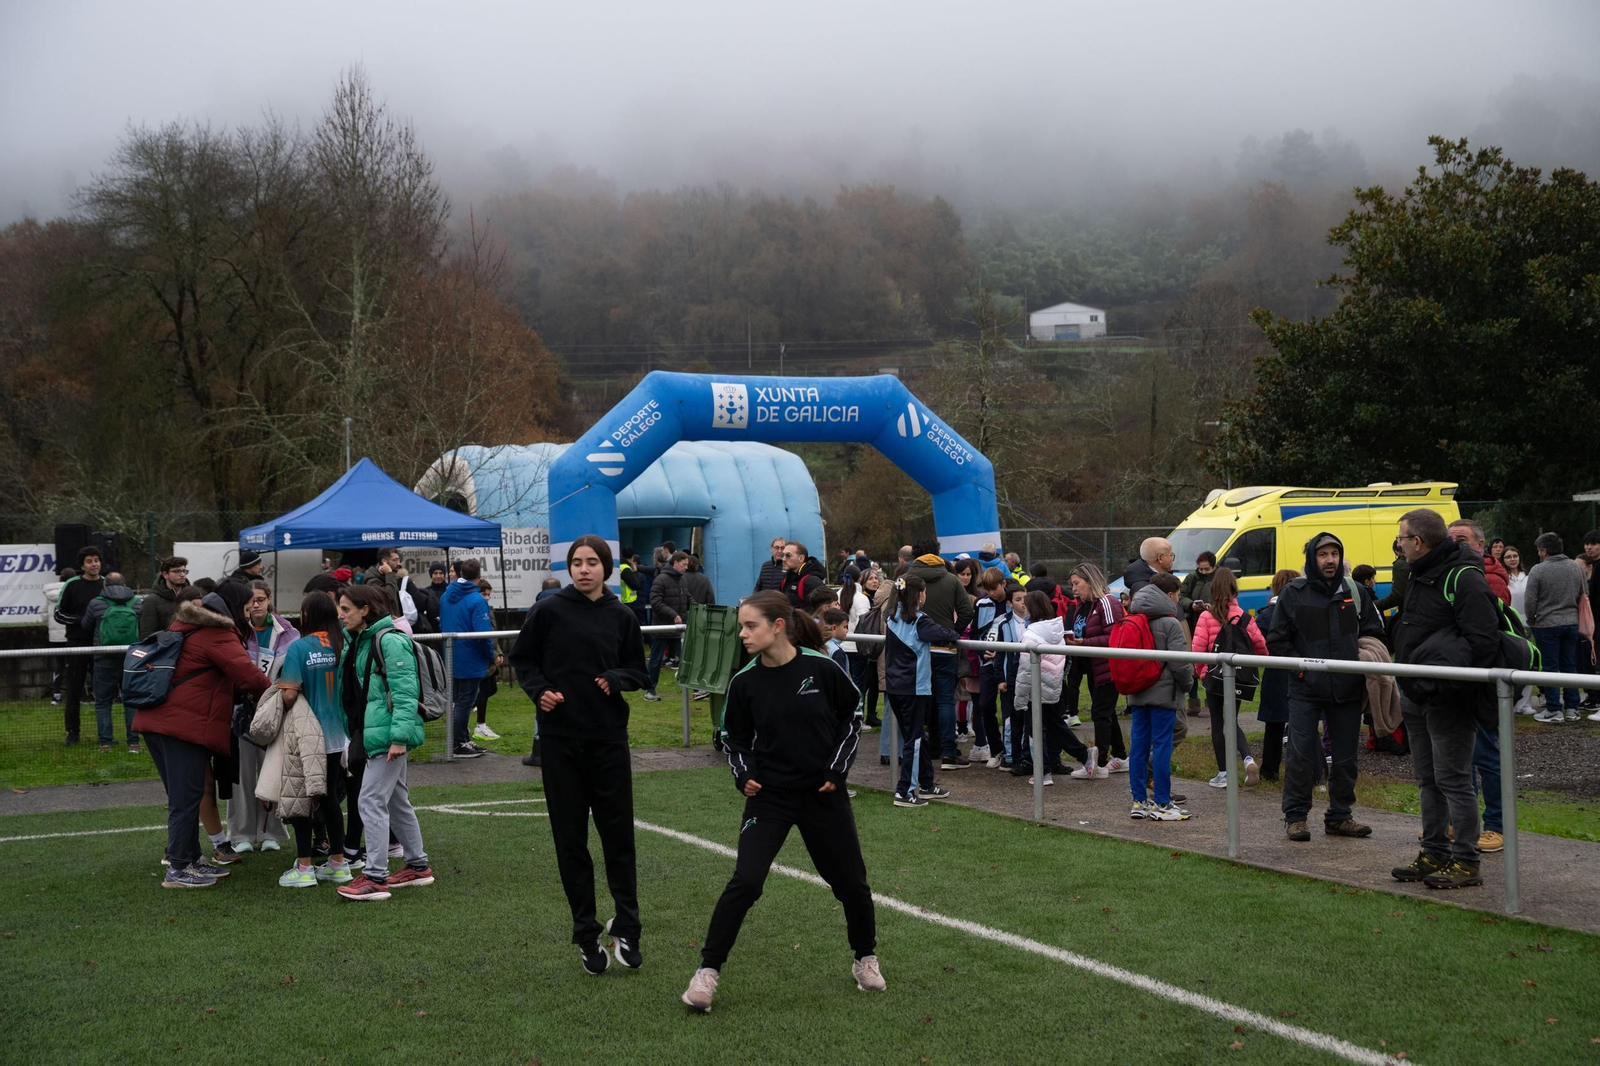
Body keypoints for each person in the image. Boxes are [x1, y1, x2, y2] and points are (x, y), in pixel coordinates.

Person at [682, 591, 879, 1011]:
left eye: (750, 625)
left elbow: (853, 717)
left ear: (777, 626)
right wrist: (744, 774)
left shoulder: (821, 668)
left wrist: (835, 770)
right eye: (741, 626)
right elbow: (730, 738)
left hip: (823, 796)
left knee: (851, 885)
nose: (743, 634)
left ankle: (865, 958)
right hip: (769, 798)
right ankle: (707, 972)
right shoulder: (745, 681)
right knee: (746, 881)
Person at [510, 536, 649, 974]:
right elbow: (523, 660)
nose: (583, 569)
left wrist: (616, 678)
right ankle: (585, 933)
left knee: (618, 839)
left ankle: (627, 926)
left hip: (608, 740)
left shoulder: (622, 615)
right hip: (559, 742)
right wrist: (539, 692)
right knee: (571, 841)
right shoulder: (548, 610)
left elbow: (639, 672)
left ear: (606, 568)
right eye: (576, 562)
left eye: (592, 562)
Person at [1390, 509, 1500, 890]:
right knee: (1428, 780)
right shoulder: (1420, 574)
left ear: (1418, 542)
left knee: (1454, 780)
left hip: (1447, 699)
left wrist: (1445, 686)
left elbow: (1484, 641)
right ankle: (1434, 851)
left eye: (1401, 539)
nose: (1398, 545)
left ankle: (1467, 862)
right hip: (1416, 693)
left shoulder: (1464, 577)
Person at [132, 590, 270, 887]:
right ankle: (179, 868)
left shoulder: (185, 627)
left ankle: (191, 859)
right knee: (185, 797)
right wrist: (277, 695)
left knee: (186, 794)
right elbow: (248, 674)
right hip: (182, 725)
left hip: (158, 720)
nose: (248, 614)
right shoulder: (216, 633)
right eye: (245, 609)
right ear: (231, 610)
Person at [1265, 532, 1385, 842]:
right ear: (1312, 559)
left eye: (1334, 553)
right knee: (1301, 753)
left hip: (1346, 688)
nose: (1329, 559)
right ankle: (1296, 817)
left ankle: (1340, 816)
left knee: (1345, 757)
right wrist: (1303, 671)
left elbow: (1374, 632)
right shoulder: (1294, 593)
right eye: (1323, 554)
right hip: (1306, 689)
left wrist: (1361, 660)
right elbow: (1276, 641)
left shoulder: (1356, 592)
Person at [334, 585, 434, 902]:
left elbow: (405, 692)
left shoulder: (389, 640)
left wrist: (399, 738)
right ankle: (417, 866)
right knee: (395, 799)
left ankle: (376, 876)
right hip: (376, 732)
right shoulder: (362, 641)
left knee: (370, 799)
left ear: (366, 610)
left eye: (346, 608)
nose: (340, 614)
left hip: (386, 736)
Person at [273, 591, 355, 888]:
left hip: (307, 735)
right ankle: (338, 863)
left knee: (302, 800)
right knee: (330, 798)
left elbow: (291, 693)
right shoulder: (343, 642)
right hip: (339, 736)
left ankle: (305, 868)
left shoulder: (300, 647)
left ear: (307, 615)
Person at [1445, 519, 1507, 853]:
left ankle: (1496, 825)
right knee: (1460, 757)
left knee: (1486, 755)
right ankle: (1463, 822)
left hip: (1483, 680)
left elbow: (1483, 637)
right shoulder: (1446, 574)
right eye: (1450, 538)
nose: (1456, 543)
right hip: (1457, 680)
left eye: (1463, 539)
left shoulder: (1487, 579)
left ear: (1481, 545)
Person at [230, 581, 297, 853]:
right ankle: (241, 833)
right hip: (241, 713)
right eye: (251, 600)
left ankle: (271, 831)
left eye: (261, 599)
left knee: (271, 773)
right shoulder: (234, 632)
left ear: (269, 600)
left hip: (275, 710)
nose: (256, 605)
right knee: (242, 774)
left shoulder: (288, 632)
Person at [884, 574, 961, 807]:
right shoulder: (919, 620)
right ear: (919, 594)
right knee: (915, 740)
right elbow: (944, 634)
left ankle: (926, 784)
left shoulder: (893, 616)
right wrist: (954, 633)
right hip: (914, 688)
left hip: (895, 686)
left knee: (917, 737)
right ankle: (904, 791)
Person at [1125, 573, 1195, 820]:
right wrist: (1188, 684)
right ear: (1169, 595)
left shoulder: (1134, 617)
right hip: (1164, 694)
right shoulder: (1170, 623)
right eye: (1177, 596)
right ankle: (1163, 803)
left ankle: (1139, 801)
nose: (1178, 601)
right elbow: (1180, 663)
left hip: (1137, 690)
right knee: (1163, 744)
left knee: (1139, 746)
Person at [1191, 567, 1268, 788]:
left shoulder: (1206, 616)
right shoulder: (1245, 617)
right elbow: (1261, 647)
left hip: (1215, 677)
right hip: (1238, 677)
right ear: (1235, 590)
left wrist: (1203, 673)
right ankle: (1248, 759)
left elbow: (1197, 649)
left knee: (1217, 724)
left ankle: (1224, 774)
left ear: (1213, 590)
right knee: (1232, 721)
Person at [907, 539, 974, 771]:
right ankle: (947, 752)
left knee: (916, 700)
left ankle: (916, 750)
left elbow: (891, 613)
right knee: (945, 700)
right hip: (944, 647)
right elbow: (967, 612)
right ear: (937, 553)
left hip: (914, 649)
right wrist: (951, 632)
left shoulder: (905, 579)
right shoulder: (951, 579)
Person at [1017, 589, 1094, 787]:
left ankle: (1043, 772)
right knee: (1055, 726)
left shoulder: (1031, 634)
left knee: (1035, 730)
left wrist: (1020, 698)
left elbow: (1025, 670)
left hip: (1036, 689)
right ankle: (1084, 754)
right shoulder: (1056, 629)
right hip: (1053, 686)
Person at [1062, 563, 1129, 776]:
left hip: (1108, 666)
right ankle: (1120, 756)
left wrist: (1084, 643)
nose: (1073, 588)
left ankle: (1098, 764)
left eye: (1077, 583)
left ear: (1090, 581)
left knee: (1100, 713)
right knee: (1106, 712)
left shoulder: (1107, 602)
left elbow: (1115, 637)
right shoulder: (1087, 605)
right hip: (1094, 666)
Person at [1524, 532, 1586, 723]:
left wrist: (1532, 619)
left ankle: (1553, 708)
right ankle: (1572, 708)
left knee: (1549, 667)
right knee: (1569, 665)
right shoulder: (1576, 567)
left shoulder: (1538, 570)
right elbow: (1583, 593)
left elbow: (1530, 600)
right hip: (1571, 621)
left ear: (1544, 551)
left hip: (1546, 623)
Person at [77, 571, 141, 753]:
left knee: (103, 702)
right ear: (125, 584)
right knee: (131, 701)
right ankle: (134, 743)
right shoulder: (137, 603)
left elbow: (86, 625)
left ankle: (105, 743)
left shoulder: (97, 603)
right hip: (131, 656)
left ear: (105, 585)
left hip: (104, 656)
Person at [440, 558, 493, 757]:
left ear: (460, 573)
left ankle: (462, 739)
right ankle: (457, 743)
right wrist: (490, 655)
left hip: (452, 654)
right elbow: (483, 635)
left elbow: (442, 624)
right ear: (479, 577)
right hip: (471, 657)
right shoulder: (477, 600)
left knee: (459, 701)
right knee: (465, 702)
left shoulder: (446, 595)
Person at [1252, 570, 1300, 782]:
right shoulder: (1303, 611)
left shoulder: (1265, 615)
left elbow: (1258, 644)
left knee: (1273, 725)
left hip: (1274, 672)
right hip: (1298, 670)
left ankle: (1269, 771)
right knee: (1303, 724)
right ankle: (1314, 773)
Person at [55, 546, 106, 745]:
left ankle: (106, 735)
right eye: (89, 561)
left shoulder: (107, 584)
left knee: (103, 692)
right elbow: (59, 614)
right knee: (74, 690)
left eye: (96, 560)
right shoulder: (72, 584)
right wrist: (82, 621)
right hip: (77, 643)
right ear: (82, 565)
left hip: (102, 644)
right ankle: (73, 732)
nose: (94, 564)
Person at [644, 551, 693, 702]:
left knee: (687, 658)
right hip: (662, 628)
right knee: (656, 660)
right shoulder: (660, 579)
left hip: (679, 629)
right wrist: (673, 614)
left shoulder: (683, 579)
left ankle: (697, 689)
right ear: (675, 563)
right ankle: (650, 690)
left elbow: (687, 598)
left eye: (687, 565)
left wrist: (698, 607)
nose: (686, 568)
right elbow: (656, 602)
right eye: (684, 564)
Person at [472, 577, 507, 741]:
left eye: (488, 594)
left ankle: (468, 707)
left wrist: (498, 653)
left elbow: (494, 635)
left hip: (491, 654)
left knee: (491, 689)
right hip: (484, 656)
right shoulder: (479, 609)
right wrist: (494, 655)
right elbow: (484, 636)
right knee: (484, 691)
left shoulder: (488, 609)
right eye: (483, 594)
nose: (486, 597)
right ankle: (480, 724)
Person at [139, 556, 189, 639]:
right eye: (177, 571)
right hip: (165, 648)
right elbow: (147, 633)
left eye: (184, 571)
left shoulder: (190, 596)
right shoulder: (152, 601)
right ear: (165, 574)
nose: (182, 575)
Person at [778, 541, 828, 610]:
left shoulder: (812, 581)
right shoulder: (786, 578)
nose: (783, 559)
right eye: (782, 555)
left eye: (788, 555)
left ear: (801, 558)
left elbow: (819, 612)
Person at [360, 547, 405, 617]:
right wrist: (389, 574)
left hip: (393, 621)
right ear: (384, 561)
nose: (399, 564)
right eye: (395, 560)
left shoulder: (386, 576)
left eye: (399, 560)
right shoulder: (372, 579)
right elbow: (389, 598)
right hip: (383, 624)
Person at [619, 550, 648, 626]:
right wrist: (635, 572)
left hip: (621, 600)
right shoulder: (626, 569)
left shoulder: (618, 567)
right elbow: (636, 585)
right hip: (628, 602)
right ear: (632, 557)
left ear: (621, 555)